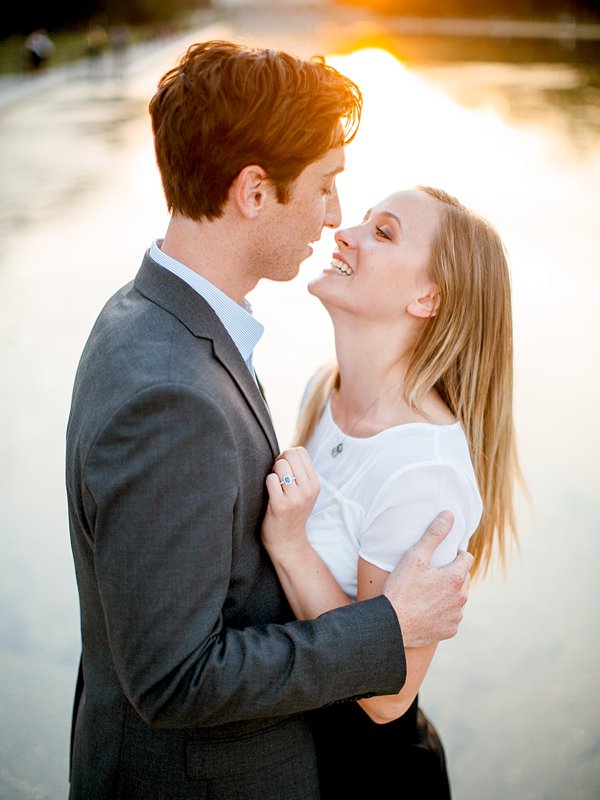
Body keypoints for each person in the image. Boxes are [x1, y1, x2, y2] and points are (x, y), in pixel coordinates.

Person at [65, 41, 474, 800]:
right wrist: (385, 629)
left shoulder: (150, 315)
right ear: (254, 192)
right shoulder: (173, 395)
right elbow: (174, 680)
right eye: (324, 187)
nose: (336, 216)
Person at [261, 186, 520, 797]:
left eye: (383, 232)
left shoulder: (420, 470)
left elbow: (386, 696)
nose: (343, 233)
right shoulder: (323, 391)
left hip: (371, 777)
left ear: (427, 297)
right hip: (300, 756)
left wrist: (291, 545)